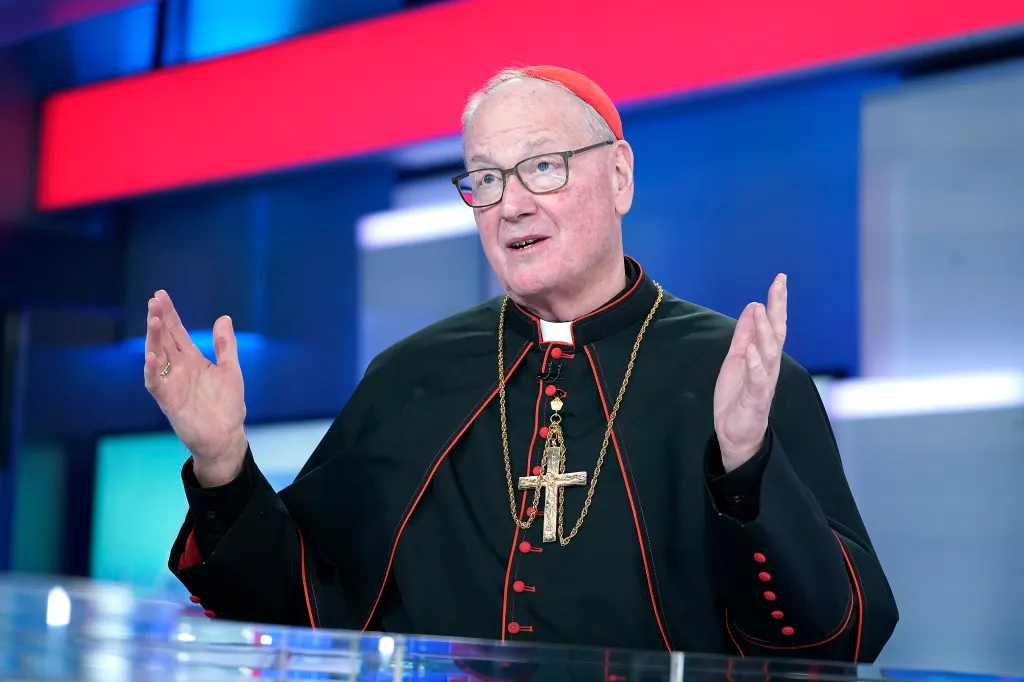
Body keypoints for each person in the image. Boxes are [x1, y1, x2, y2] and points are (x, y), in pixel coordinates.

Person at [144, 65, 898, 662]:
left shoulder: (738, 374)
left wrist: (745, 466)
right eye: (486, 179)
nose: (510, 205)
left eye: (542, 167)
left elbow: (834, 641)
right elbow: (301, 611)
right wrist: (221, 462)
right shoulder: (411, 376)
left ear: (621, 176)